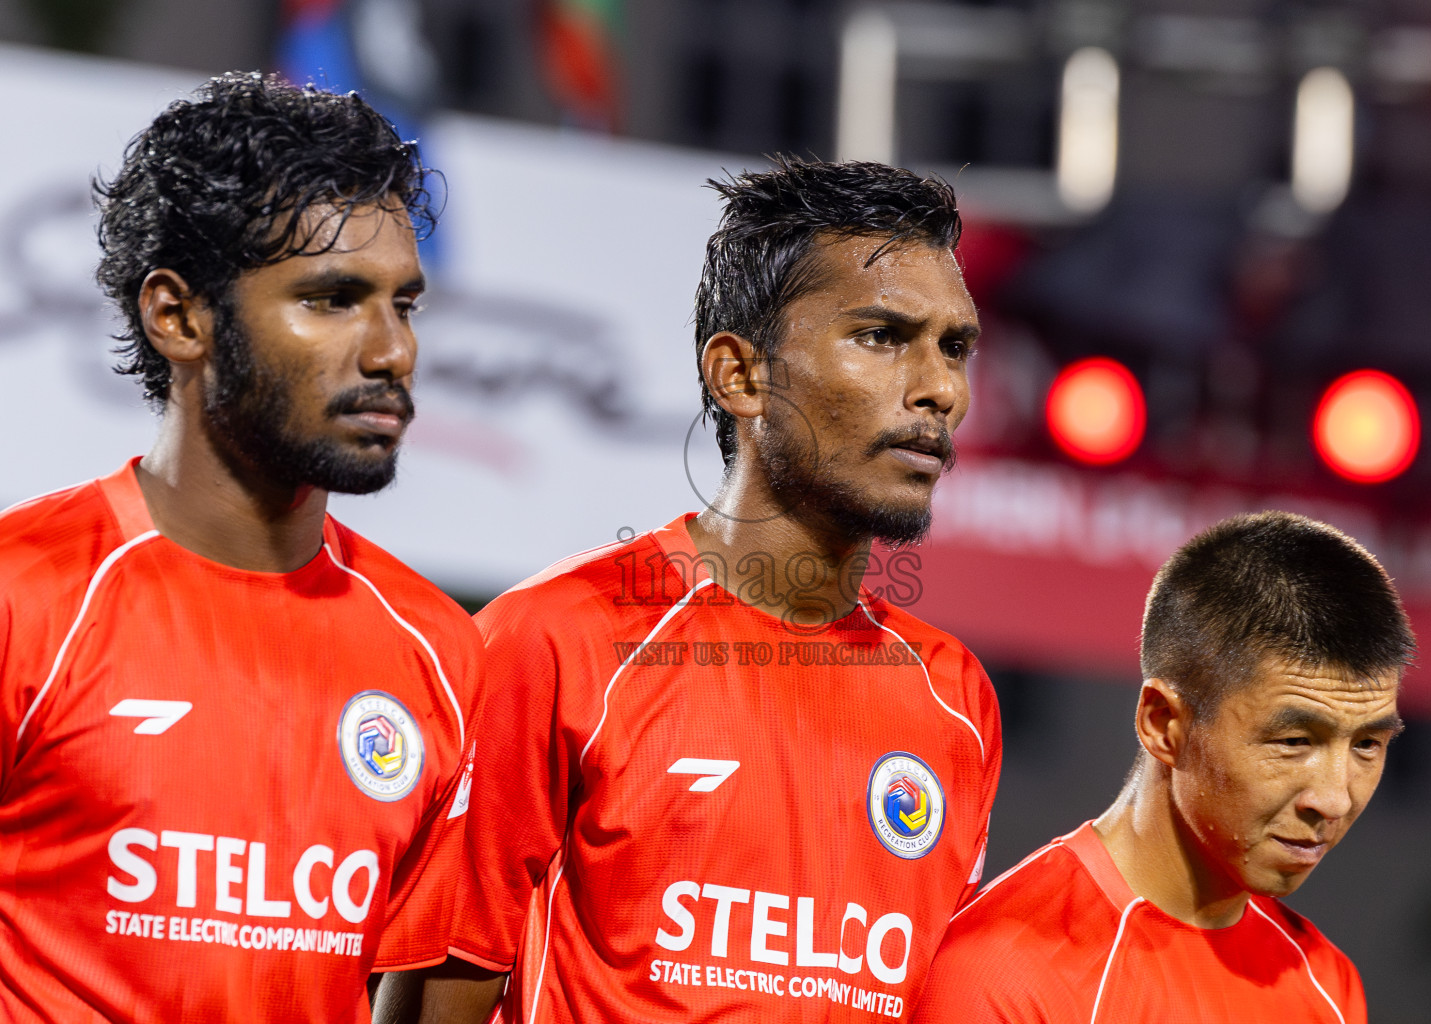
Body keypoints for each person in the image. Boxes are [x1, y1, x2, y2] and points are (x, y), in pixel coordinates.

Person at [376, 159, 1002, 1023]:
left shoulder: (956, 698)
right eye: (883, 336)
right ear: (740, 375)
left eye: (955, 347)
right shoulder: (556, 641)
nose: (941, 390)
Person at [0, 73, 481, 1022]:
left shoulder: (441, 654)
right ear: (179, 317)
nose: (391, 351)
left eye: (406, 305)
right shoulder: (26, 597)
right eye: (334, 298)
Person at [911, 511, 1414, 1024]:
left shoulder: (1326, 984)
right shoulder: (1003, 978)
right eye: (1293, 740)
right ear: (1164, 723)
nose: (1333, 799)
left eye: (1368, 744)